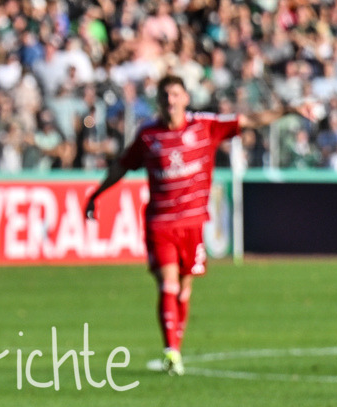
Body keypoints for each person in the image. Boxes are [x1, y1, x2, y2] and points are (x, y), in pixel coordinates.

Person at [84, 74, 315, 376]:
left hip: (193, 223)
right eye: (165, 95)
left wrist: (288, 111)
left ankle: (175, 345)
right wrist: (97, 194)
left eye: (175, 94)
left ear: (185, 98)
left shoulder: (205, 126)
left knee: (184, 287)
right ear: (159, 101)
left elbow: (249, 120)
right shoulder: (148, 136)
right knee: (168, 282)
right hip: (161, 222)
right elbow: (122, 166)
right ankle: (171, 351)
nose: (170, 100)